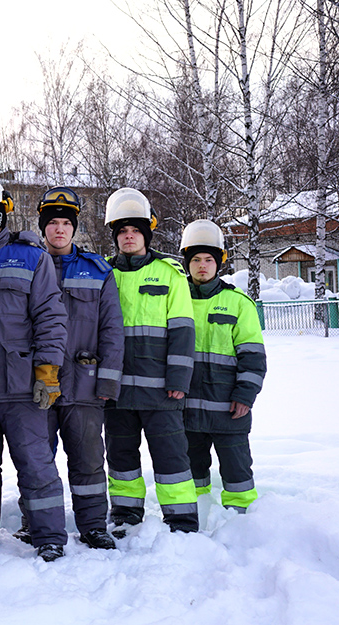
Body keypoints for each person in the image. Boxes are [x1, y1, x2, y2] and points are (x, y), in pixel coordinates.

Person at [0, 171, 69, 563]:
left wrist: (48, 370)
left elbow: (51, 318)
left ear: (2, 216)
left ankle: (49, 536)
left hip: (22, 386)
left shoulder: (31, 256)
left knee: (36, 464)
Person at [15, 187, 124, 551]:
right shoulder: (28, 263)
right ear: (42, 227)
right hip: (36, 385)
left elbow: (112, 329)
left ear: (74, 228)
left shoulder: (97, 270)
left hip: (84, 385)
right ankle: (34, 522)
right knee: (36, 460)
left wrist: (108, 380)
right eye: (53, 223)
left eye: (66, 223)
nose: (59, 230)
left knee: (89, 461)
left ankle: (93, 525)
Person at [103, 188, 199, 534]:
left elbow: (183, 330)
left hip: (161, 391)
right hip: (116, 390)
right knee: (121, 458)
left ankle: (182, 519)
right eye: (123, 232)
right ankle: (126, 514)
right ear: (115, 237)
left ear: (146, 235)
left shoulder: (170, 273)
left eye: (135, 231)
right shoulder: (105, 273)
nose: (129, 237)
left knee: (171, 456)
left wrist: (178, 380)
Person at [180, 219, 265, 513]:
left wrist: (245, 395)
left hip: (228, 408)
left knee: (237, 470)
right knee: (192, 471)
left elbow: (253, 355)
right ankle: (197, 515)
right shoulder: (176, 300)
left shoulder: (238, 303)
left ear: (219, 264)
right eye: (195, 260)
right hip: (186, 408)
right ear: (187, 264)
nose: (202, 266)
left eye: (208, 260)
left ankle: (242, 522)